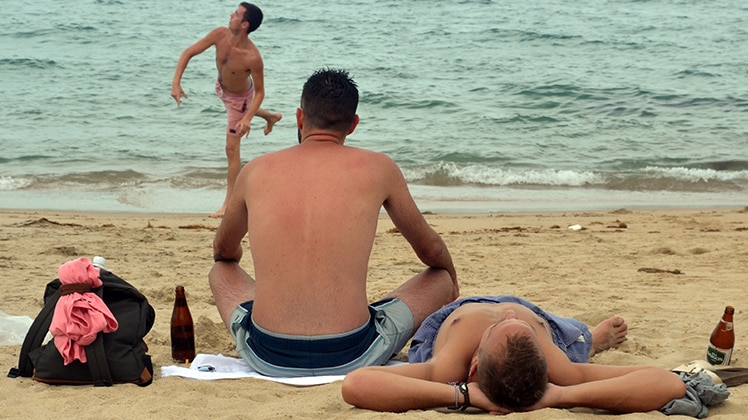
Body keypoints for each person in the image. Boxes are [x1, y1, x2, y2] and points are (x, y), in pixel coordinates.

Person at [208, 68, 459, 377]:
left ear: (300, 118)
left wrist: (246, 265)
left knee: (221, 271)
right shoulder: (380, 168)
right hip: (354, 352)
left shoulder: (255, 170)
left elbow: (222, 250)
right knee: (440, 278)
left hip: (268, 353)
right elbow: (430, 251)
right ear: (352, 125)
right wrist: (452, 279)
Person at [342, 295, 687, 414]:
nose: (508, 314)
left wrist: (462, 394)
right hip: (541, 325)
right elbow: (666, 382)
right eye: (508, 322)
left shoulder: (450, 367)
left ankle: (583, 339)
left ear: (474, 362)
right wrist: (563, 393)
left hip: (462, 318)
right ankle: (589, 340)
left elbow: (357, 383)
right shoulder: (559, 367)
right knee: (574, 345)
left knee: (567, 349)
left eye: (508, 323)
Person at [171, 3, 282, 218]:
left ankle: (228, 205)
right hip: (221, 88)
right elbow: (188, 53)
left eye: (236, 14)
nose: (231, 15)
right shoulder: (219, 34)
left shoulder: (252, 57)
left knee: (231, 151)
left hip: (239, 99)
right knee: (242, 113)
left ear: (245, 24)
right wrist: (176, 83)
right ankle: (271, 117)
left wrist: (248, 118)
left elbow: (259, 93)